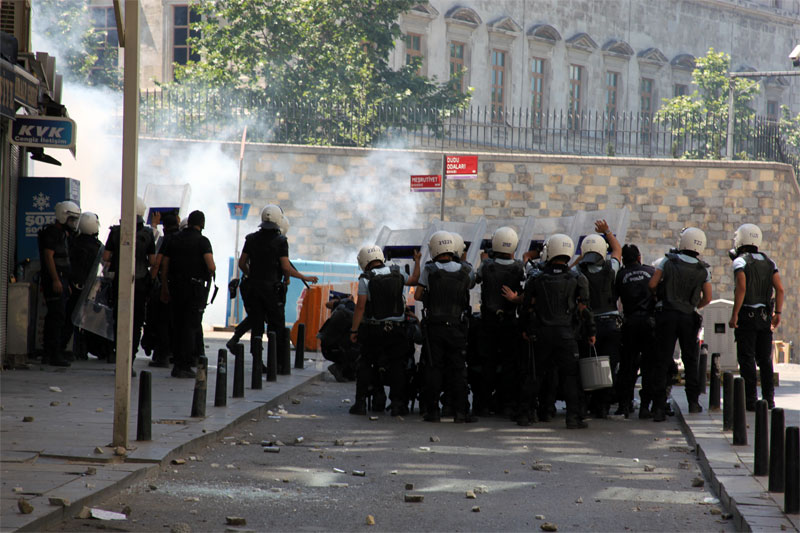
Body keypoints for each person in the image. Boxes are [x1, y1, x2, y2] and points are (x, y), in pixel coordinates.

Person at [518, 233, 592, 429]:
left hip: (542, 333)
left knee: (535, 374)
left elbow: (526, 307)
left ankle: (525, 415)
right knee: (570, 377)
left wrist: (526, 329)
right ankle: (573, 418)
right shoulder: (578, 278)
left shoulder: (536, 277)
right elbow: (584, 308)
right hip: (566, 334)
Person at [237, 205, 317, 376]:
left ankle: (258, 363)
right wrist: (286, 279)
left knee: (257, 326)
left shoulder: (251, 239)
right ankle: (278, 364)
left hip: (254, 289)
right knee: (276, 327)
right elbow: (286, 267)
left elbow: (242, 263)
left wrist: (252, 275)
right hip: (272, 290)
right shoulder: (281, 241)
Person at [648, 227, 712, 421]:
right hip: (687, 317)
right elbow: (708, 297)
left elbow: (652, 284)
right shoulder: (703, 269)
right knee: (691, 360)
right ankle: (693, 402)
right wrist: (693, 306)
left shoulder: (668, 260)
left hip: (666, 315)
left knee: (662, 360)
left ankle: (658, 407)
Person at [348, 244, 420, 416]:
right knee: (397, 366)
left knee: (366, 363)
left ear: (364, 261)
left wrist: (354, 331)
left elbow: (360, 307)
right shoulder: (397, 273)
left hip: (374, 330)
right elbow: (415, 280)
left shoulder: (365, 278)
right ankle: (397, 404)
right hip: (397, 331)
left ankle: (360, 404)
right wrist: (417, 261)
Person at [417, 231, 477, 423]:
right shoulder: (466, 271)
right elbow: (472, 283)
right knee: (458, 369)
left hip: (434, 328)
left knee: (434, 368)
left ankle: (433, 411)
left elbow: (418, 295)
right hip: (457, 328)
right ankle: (461, 412)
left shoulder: (429, 269)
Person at [728, 223, 784, 410]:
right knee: (765, 360)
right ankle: (769, 398)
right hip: (765, 316)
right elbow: (780, 289)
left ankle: (750, 400)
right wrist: (778, 313)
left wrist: (734, 314)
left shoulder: (740, 262)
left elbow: (742, 287)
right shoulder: (770, 262)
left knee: (747, 358)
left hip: (747, 315)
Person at [473, 226, 524, 417]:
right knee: (510, 364)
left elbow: (476, 279)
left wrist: (483, 260)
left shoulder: (487, 266)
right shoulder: (519, 267)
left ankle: (483, 404)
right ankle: (507, 404)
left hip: (488, 323)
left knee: (487, 363)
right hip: (510, 322)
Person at [573, 220, 622, 418]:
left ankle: (585, 403)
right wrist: (607, 232)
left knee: (586, 364)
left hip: (587, 325)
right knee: (608, 366)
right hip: (610, 324)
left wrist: (581, 259)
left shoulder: (578, 272)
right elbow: (617, 250)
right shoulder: (611, 268)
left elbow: (569, 271)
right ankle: (602, 406)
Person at [103, 197, 156, 375]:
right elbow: (152, 261)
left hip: (120, 282)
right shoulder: (148, 234)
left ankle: (118, 357)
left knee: (119, 320)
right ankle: (130, 361)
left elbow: (106, 257)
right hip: (140, 283)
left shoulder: (116, 232)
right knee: (136, 323)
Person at [160, 210, 215, 378]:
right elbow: (211, 266)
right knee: (190, 327)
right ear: (202, 224)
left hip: (175, 287)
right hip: (194, 289)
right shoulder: (203, 241)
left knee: (176, 326)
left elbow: (165, 266)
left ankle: (177, 363)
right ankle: (185, 364)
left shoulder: (173, 239)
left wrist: (164, 288)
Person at [615, 244, 656, 418]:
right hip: (649, 323)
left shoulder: (621, 275)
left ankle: (625, 405)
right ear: (639, 257)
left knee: (627, 366)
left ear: (623, 260)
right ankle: (645, 406)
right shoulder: (651, 271)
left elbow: (614, 298)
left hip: (630, 323)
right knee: (648, 367)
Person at [38, 201, 81, 367]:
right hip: (55, 280)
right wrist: (56, 279)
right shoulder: (53, 233)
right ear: (63, 216)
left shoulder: (62, 234)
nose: (73, 223)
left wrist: (64, 282)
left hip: (61, 279)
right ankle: (53, 353)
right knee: (57, 317)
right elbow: (49, 257)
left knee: (57, 316)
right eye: (71, 219)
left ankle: (50, 353)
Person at [68, 212, 105, 360]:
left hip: (73, 285)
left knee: (70, 318)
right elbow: (105, 266)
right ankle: (83, 348)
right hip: (91, 288)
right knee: (86, 319)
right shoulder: (98, 246)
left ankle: (73, 348)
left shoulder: (73, 242)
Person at [148, 211, 179, 368]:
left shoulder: (167, 240)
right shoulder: (182, 238)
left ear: (165, 227)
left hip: (166, 286)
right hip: (182, 288)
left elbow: (158, 263)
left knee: (162, 322)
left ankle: (162, 356)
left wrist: (151, 281)